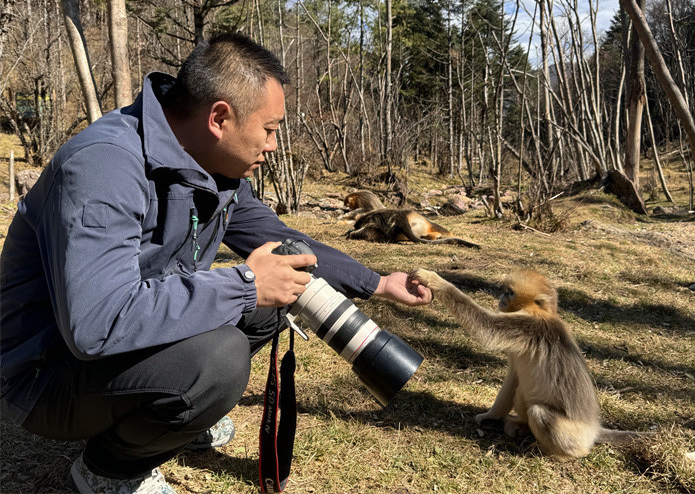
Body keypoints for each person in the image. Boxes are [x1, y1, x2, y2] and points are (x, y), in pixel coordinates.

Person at [0, 33, 432, 494]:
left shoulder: (209, 165)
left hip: (113, 345)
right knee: (219, 360)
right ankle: (107, 469)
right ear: (220, 117)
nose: (272, 146)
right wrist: (245, 284)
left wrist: (376, 282)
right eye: (269, 129)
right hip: (42, 374)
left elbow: (282, 240)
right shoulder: (104, 166)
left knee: (276, 291)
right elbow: (95, 323)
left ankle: (170, 413)